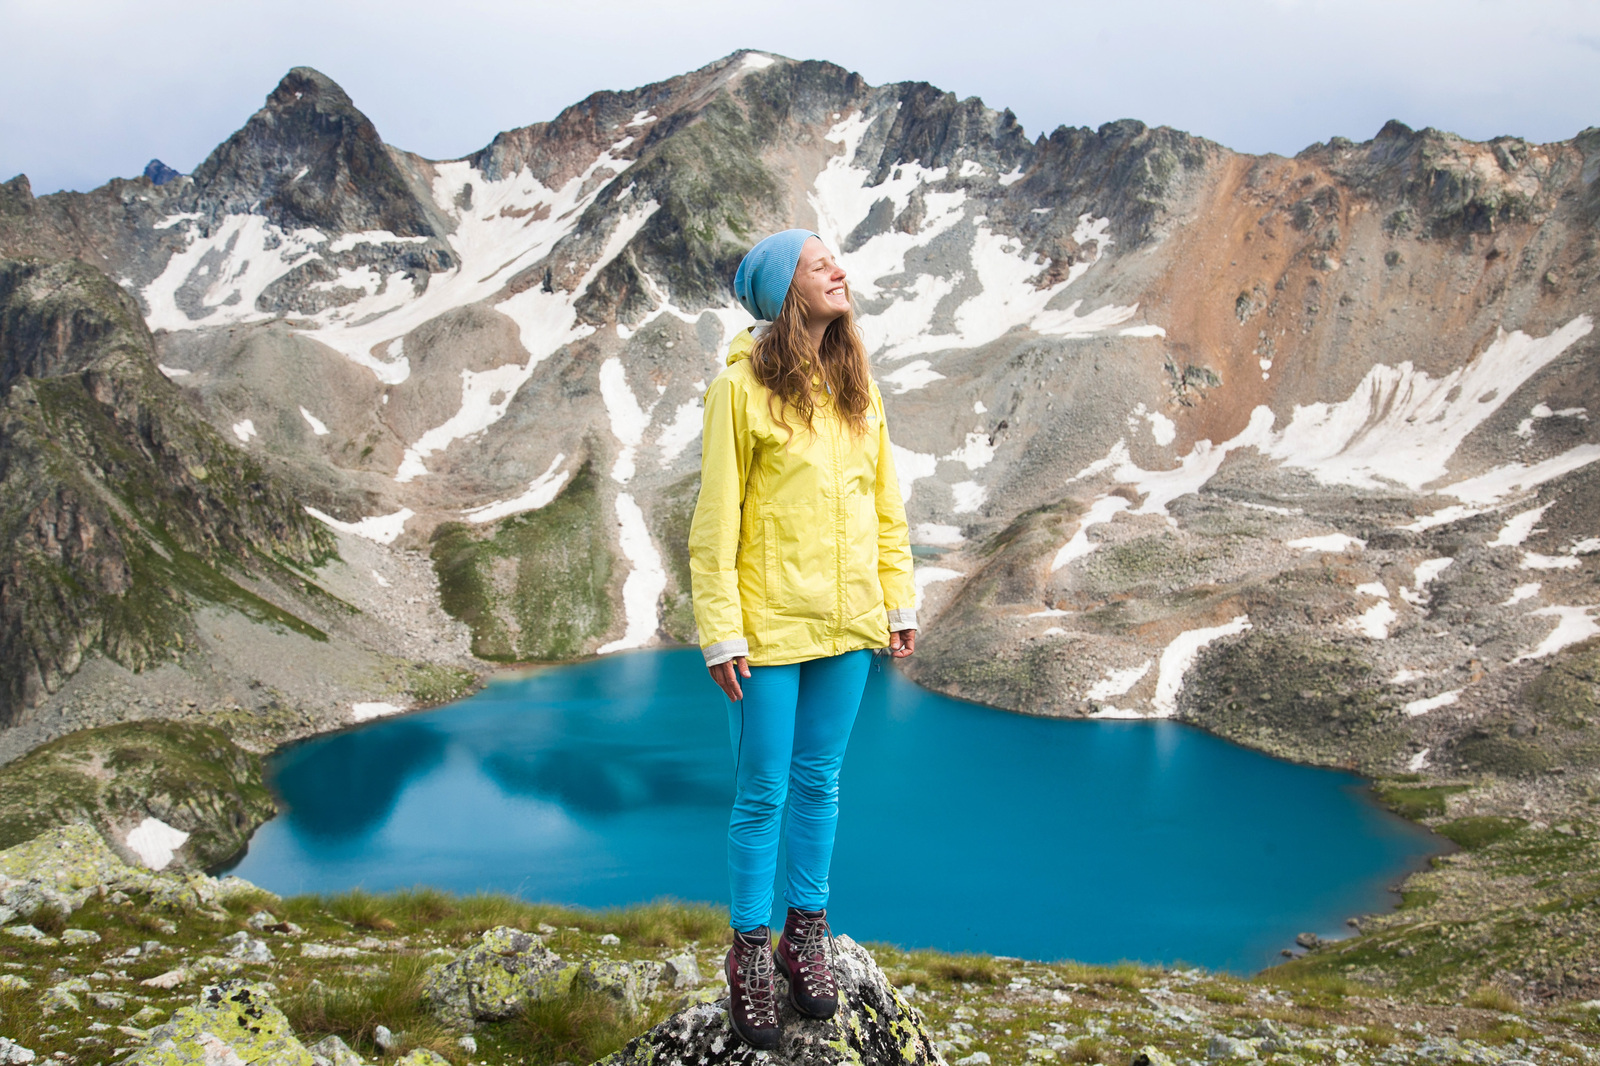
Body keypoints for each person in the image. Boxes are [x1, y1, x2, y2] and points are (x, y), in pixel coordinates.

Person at [688, 229, 917, 1049]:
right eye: (819, 264)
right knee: (763, 791)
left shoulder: (858, 387)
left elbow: (884, 504)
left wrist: (897, 602)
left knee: (819, 782)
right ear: (785, 289)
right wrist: (720, 633)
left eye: (837, 261)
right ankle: (750, 950)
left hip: (848, 623)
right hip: (770, 626)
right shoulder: (740, 390)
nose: (838, 271)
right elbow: (715, 525)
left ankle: (805, 935)